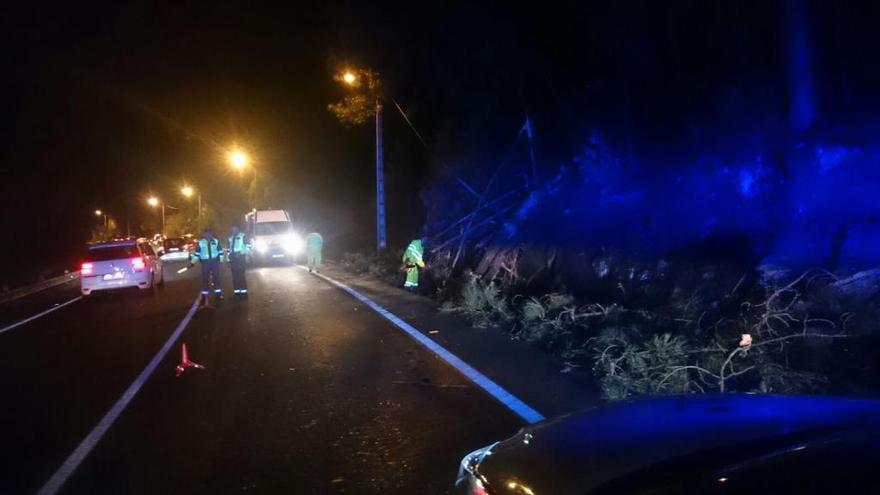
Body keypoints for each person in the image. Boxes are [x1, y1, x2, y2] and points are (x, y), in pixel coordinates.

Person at [191, 226, 224, 306]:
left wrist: (221, 261)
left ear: (212, 233)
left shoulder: (216, 241)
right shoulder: (201, 242)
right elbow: (197, 254)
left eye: (210, 233)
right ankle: (204, 297)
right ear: (204, 234)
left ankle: (218, 295)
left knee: (217, 278)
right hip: (205, 263)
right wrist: (192, 262)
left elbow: (220, 251)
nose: (209, 234)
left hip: (214, 262)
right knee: (205, 279)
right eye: (207, 233)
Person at [227, 224, 250, 298]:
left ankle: (244, 293)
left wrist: (244, 254)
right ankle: (237, 293)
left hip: (240, 258)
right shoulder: (231, 238)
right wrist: (228, 260)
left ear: (238, 229)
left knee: (241, 276)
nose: (234, 230)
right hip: (233, 258)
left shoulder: (243, 236)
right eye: (233, 229)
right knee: (234, 276)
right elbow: (229, 250)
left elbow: (248, 246)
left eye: (235, 229)